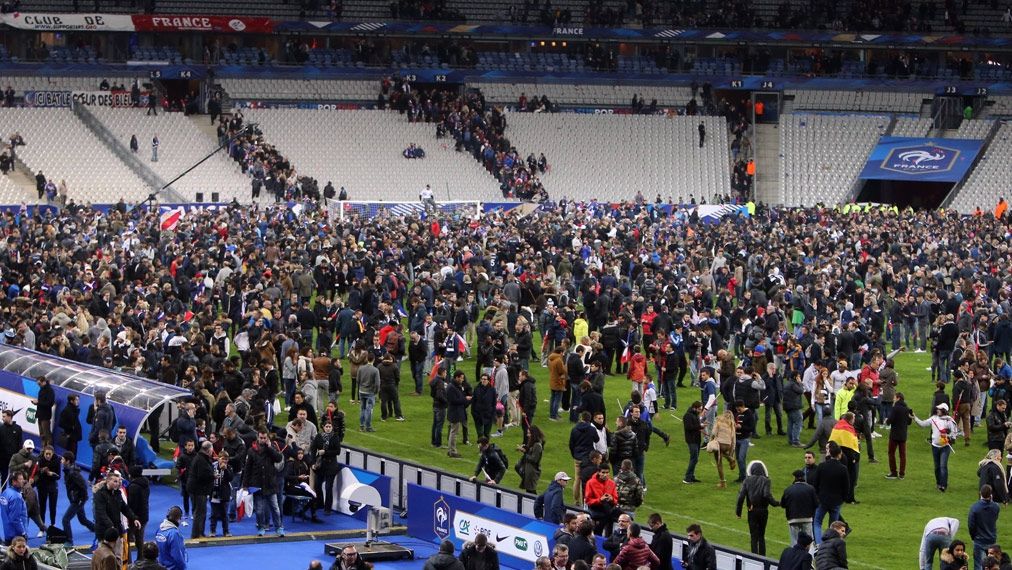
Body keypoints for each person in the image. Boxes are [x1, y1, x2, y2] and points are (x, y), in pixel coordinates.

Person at [242, 429, 285, 537]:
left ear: (268, 438)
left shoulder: (272, 448)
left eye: (265, 438)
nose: (263, 440)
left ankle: (279, 527)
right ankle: (261, 527)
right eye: (261, 438)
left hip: (270, 484)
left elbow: (279, 458)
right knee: (259, 510)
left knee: (275, 508)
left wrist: (270, 448)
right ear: (258, 437)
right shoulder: (252, 450)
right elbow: (247, 468)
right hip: (257, 484)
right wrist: (245, 485)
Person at [736, 460, 779, 555]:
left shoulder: (747, 480)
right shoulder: (766, 481)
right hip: (763, 511)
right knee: (761, 536)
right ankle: (763, 558)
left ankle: (754, 558)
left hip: (752, 511)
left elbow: (741, 497)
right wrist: (776, 503)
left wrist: (738, 512)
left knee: (753, 537)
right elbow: (767, 495)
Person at [915, 403, 960, 492]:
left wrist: (948, 436)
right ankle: (938, 483)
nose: (937, 410)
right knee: (937, 467)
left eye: (939, 409)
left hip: (945, 447)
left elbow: (954, 434)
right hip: (935, 446)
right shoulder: (933, 418)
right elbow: (923, 424)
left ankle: (943, 486)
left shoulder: (949, 420)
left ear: (944, 411)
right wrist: (914, 418)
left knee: (943, 466)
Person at [813, 442, 849, 544]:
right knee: (833, 525)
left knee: (817, 522)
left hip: (822, 499)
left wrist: (818, 496)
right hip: (836, 501)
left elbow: (815, 483)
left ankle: (819, 544)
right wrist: (843, 499)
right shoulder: (843, 469)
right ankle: (830, 544)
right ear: (839, 454)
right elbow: (846, 487)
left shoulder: (822, 466)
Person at [93, 470, 140, 549]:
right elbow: (101, 513)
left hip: (117, 529)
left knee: (118, 554)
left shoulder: (117, 493)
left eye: (118, 482)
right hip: (104, 531)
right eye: (115, 481)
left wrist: (134, 518)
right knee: (105, 554)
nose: (117, 483)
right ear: (108, 481)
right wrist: (111, 526)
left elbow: (124, 508)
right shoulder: (100, 494)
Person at [61, 452, 94, 546]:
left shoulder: (73, 473)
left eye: (63, 459)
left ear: (68, 461)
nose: (61, 461)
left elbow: (83, 486)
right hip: (76, 498)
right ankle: (96, 528)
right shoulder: (68, 471)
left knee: (65, 520)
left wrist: (81, 499)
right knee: (82, 519)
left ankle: (69, 541)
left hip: (77, 500)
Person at [780, 469, 818, 548]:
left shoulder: (788, 490)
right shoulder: (810, 489)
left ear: (795, 478)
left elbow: (783, 504)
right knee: (809, 540)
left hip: (793, 518)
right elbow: (816, 504)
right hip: (807, 518)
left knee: (795, 541)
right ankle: (809, 555)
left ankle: (795, 555)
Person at [969, 485, 1001, 570]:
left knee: (979, 565)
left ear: (980, 493)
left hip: (979, 539)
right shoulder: (996, 507)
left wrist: (973, 537)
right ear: (991, 494)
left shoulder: (975, 507)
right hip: (991, 539)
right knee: (992, 564)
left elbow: (971, 525)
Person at [585, 465, 621, 535]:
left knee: (623, 517)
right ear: (598, 472)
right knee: (599, 529)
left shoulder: (612, 483)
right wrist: (600, 500)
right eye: (603, 472)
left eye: (607, 473)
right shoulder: (591, 483)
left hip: (608, 508)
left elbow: (616, 500)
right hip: (596, 508)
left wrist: (611, 499)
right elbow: (588, 500)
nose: (605, 475)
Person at [885, 391, 913, 479]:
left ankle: (893, 472)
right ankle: (902, 474)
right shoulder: (907, 409)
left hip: (894, 435)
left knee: (891, 453)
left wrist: (887, 420)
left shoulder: (895, 408)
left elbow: (889, 421)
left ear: (898, 398)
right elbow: (909, 422)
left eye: (894, 397)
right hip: (903, 434)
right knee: (903, 455)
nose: (893, 399)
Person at [710, 409, 737, 489]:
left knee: (719, 463)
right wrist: (731, 453)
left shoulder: (718, 421)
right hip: (728, 445)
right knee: (722, 453)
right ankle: (730, 458)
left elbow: (713, 433)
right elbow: (733, 440)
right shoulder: (732, 425)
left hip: (719, 444)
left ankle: (723, 482)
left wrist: (711, 440)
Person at [127, 465, 151, 555]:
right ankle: (141, 557)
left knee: (127, 539)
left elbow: (132, 503)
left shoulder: (133, 486)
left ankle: (128, 559)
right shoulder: (145, 484)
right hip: (144, 514)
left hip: (135, 516)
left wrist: (130, 516)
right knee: (140, 539)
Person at [0, 471, 27, 545]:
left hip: (7, 531)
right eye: (20, 479)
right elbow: (15, 518)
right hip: (17, 535)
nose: (23, 481)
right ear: (14, 481)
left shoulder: (5, 492)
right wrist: (23, 532)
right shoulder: (16, 497)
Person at [733, 400, 756, 483]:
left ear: (743, 406)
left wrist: (741, 427)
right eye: (737, 409)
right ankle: (741, 476)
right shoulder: (737, 414)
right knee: (738, 458)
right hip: (736, 439)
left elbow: (752, 428)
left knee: (741, 458)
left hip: (744, 440)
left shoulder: (749, 414)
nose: (738, 411)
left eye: (739, 409)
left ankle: (744, 477)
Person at [517, 425, 544, 493]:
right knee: (529, 491)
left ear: (534, 434)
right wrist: (524, 449)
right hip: (529, 470)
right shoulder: (534, 443)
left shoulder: (537, 445)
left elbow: (534, 459)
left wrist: (525, 453)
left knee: (531, 492)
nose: (527, 435)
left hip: (532, 472)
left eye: (529, 433)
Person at [682, 401, 703, 484]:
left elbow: (695, 426)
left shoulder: (695, 414)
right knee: (694, 459)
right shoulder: (688, 416)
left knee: (695, 459)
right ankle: (687, 478)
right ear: (694, 408)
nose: (700, 411)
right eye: (699, 409)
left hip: (697, 439)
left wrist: (700, 426)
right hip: (691, 440)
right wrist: (700, 426)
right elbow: (689, 427)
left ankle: (691, 476)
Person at [31, 376, 54, 447]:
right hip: (40, 415)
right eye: (38, 384)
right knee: (42, 435)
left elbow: (50, 403)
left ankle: (49, 450)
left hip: (45, 416)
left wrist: (38, 402)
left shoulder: (49, 391)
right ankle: (43, 449)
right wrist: (37, 403)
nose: (39, 385)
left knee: (47, 435)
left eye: (39, 384)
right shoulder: (42, 389)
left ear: (44, 382)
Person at [58, 394, 83, 459]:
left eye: (78, 400)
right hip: (70, 436)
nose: (78, 401)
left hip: (74, 436)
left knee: (73, 453)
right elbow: (61, 423)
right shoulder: (67, 410)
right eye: (76, 400)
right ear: (71, 401)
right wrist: (71, 427)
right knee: (71, 454)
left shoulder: (74, 409)